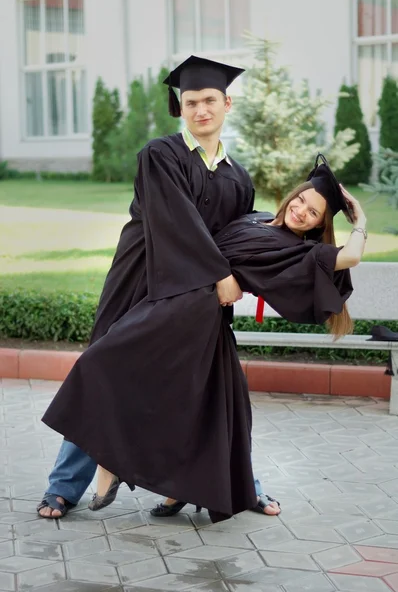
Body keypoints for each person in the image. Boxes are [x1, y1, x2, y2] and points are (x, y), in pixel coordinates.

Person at [41, 154, 366, 521]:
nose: (302, 211)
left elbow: (350, 257)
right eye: (302, 200)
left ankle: (120, 466)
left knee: (119, 372)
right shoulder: (254, 217)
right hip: (172, 302)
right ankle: (127, 475)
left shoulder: (299, 252)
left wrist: (361, 221)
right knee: (127, 376)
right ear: (294, 194)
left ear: (320, 224)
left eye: (314, 213)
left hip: (192, 318)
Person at [37, 55, 279, 521]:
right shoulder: (160, 155)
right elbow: (178, 225)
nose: (201, 110)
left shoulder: (237, 177)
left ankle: (242, 484)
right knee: (108, 371)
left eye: (210, 100)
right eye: (191, 102)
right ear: (180, 108)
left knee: (211, 388)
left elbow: (237, 236)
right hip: (141, 283)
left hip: (198, 298)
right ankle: (64, 487)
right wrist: (220, 275)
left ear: (227, 103)